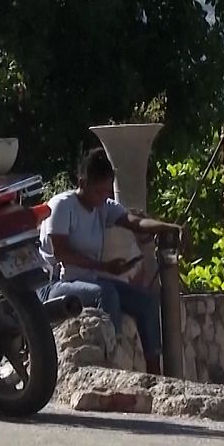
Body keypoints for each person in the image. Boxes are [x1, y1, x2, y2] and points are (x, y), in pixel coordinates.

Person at [38, 148, 184, 375]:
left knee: (145, 302)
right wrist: (104, 267)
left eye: (107, 192)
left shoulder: (103, 207)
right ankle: (113, 365)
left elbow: (133, 221)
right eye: (98, 191)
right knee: (105, 293)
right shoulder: (62, 206)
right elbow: (62, 253)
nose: (103, 197)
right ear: (82, 182)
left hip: (91, 279)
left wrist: (167, 227)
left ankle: (155, 372)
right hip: (55, 285)